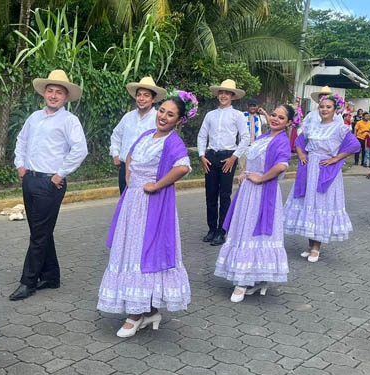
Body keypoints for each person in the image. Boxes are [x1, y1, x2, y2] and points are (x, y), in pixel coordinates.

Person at [98, 92, 195, 337]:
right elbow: (130, 155)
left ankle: (136, 314)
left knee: (143, 252)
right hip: (132, 201)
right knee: (130, 249)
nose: (163, 116)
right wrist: (130, 177)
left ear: (178, 120)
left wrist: (157, 184)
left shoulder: (173, 142)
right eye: (162, 111)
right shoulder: (147, 135)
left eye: (170, 114)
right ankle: (149, 311)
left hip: (151, 205)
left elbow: (183, 167)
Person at [10, 70, 89, 301]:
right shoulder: (34, 117)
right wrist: (20, 164)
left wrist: (60, 174)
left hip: (50, 183)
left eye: (59, 92)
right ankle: (51, 276)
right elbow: (21, 140)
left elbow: (80, 150)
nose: (54, 95)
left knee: (39, 234)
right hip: (30, 179)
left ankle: (28, 281)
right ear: (44, 93)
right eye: (50, 91)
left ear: (66, 97)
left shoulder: (69, 121)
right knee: (40, 231)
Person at [215, 105, 294, 303]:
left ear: (288, 123)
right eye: (274, 115)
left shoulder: (281, 141)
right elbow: (252, 158)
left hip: (263, 192)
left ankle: (243, 281)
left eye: (281, 117)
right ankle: (257, 279)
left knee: (253, 232)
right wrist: (245, 172)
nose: (275, 119)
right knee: (244, 229)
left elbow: (282, 165)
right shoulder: (264, 137)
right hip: (248, 191)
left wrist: (262, 178)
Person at [284, 92, 360, 262]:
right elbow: (299, 142)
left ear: (335, 110)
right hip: (309, 169)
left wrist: (336, 158)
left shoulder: (340, 128)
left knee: (320, 204)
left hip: (326, 170)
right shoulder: (312, 126)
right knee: (308, 203)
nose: (324, 109)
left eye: (328, 107)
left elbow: (354, 145)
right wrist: (301, 154)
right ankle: (310, 245)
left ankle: (316, 247)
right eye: (322, 107)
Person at [196, 79, 250, 246]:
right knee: (210, 194)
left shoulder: (238, 115)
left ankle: (222, 231)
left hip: (228, 157)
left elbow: (245, 137)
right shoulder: (210, 115)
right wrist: (202, 155)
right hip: (211, 157)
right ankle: (212, 229)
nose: (223, 96)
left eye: (227, 93)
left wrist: (234, 157)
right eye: (221, 92)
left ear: (232, 96)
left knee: (225, 195)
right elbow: (202, 136)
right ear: (217, 95)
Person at [110, 76, 167, 194]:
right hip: (125, 168)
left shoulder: (159, 119)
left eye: (146, 95)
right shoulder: (128, 117)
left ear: (153, 99)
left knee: (144, 203)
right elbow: (116, 135)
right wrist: (115, 154)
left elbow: (164, 143)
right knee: (125, 202)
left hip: (147, 172)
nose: (141, 98)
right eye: (139, 95)